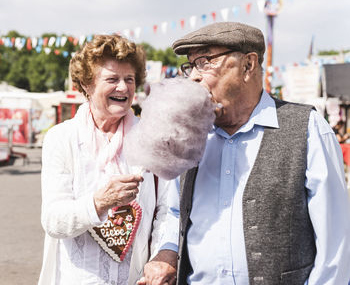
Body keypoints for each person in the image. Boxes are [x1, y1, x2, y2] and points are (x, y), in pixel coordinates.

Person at [139, 22, 350, 285]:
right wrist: (167, 253)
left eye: (205, 61)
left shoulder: (307, 128)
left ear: (248, 65)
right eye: (190, 65)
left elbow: (335, 251)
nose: (193, 75)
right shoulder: (190, 133)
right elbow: (176, 213)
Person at [38, 34, 176, 285]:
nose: (123, 88)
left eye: (129, 79)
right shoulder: (62, 138)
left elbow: (167, 210)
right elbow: (53, 220)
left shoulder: (152, 137)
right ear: (86, 85)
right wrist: (99, 202)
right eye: (112, 79)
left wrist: (160, 259)